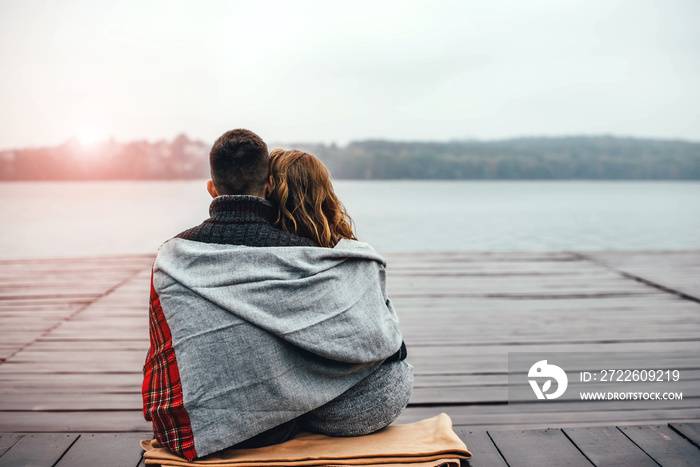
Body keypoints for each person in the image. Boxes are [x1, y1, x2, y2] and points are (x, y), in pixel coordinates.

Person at [142, 129, 413, 461]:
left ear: (211, 188)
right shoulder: (304, 255)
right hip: (278, 424)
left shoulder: (170, 259)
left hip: (191, 428)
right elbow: (386, 344)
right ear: (268, 186)